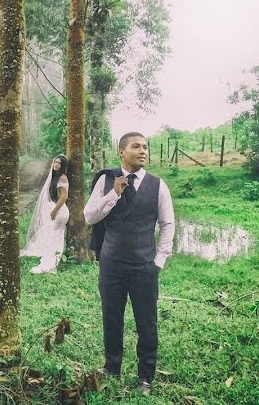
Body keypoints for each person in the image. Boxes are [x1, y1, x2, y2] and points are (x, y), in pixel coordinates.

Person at [83, 132, 175, 395]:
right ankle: (112, 367)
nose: (143, 151)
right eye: (136, 146)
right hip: (111, 264)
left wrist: (159, 260)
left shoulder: (158, 185)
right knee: (112, 318)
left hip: (144, 266)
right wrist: (114, 193)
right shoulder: (106, 179)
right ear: (121, 152)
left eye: (145, 147)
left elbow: (168, 224)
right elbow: (89, 217)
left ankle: (145, 377)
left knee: (147, 322)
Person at [21, 155, 69, 274]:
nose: (56, 165)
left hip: (61, 211)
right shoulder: (54, 177)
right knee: (53, 235)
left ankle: (53, 258)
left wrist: (54, 211)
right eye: (55, 162)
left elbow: (64, 197)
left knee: (55, 235)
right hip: (57, 209)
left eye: (59, 163)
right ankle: (55, 254)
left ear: (63, 166)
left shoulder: (63, 178)